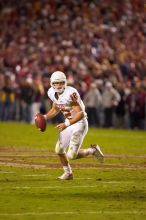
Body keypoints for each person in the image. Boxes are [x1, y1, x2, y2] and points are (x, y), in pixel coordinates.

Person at [43, 71, 104, 180]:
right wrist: (45, 117)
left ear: (65, 82)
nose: (58, 85)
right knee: (59, 150)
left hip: (79, 123)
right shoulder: (51, 93)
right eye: (56, 83)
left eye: (61, 83)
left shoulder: (70, 93)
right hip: (69, 122)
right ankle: (68, 173)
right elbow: (55, 108)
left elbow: (80, 114)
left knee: (72, 155)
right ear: (51, 83)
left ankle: (93, 151)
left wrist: (66, 124)